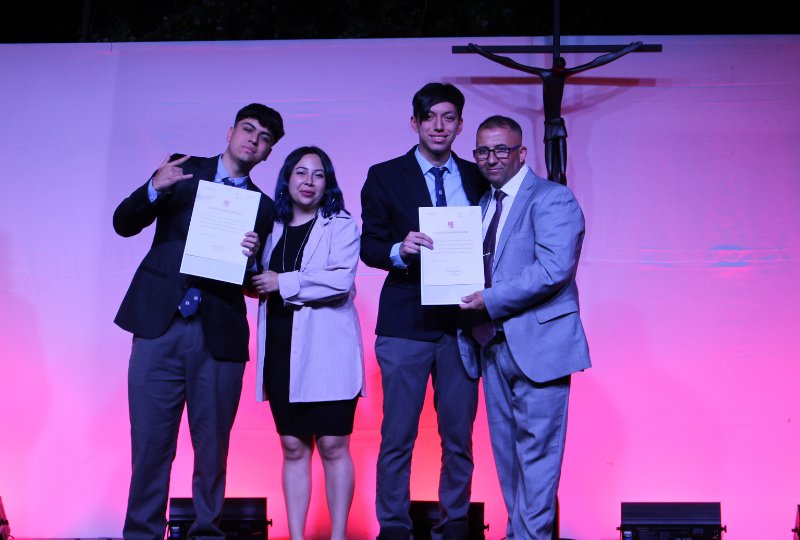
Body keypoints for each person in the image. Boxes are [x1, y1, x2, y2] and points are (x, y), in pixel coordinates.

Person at [113, 103, 284, 540]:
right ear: (230, 132)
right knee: (150, 444)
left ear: (268, 153)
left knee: (212, 448)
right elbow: (123, 224)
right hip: (159, 324)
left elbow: (253, 283)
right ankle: (142, 533)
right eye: (248, 129)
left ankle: (208, 532)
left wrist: (252, 259)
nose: (253, 140)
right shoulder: (181, 170)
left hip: (218, 334)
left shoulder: (265, 208)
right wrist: (153, 187)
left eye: (264, 139)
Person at [360, 82, 488, 540]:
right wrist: (399, 248)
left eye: (449, 117)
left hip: (462, 323)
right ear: (414, 122)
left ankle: (454, 527)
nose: (439, 126)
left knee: (459, 439)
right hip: (405, 322)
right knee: (398, 436)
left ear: (460, 124)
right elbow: (370, 246)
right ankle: (394, 529)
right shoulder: (384, 175)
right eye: (430, 117)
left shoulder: (478, 176)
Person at [458, 115, 591, 539]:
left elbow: (553, 269)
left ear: (521, 152)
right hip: (491, 345)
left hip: (539, 346)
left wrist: (490, 299)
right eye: (482, 150)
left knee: (538, 460)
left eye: (501, 149)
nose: (491, 158)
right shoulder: (481, 207)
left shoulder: (552, 198)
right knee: (508, 459)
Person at [252, 146, 364, 540]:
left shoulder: (341, 225)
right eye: (301, 172)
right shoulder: (271, 226)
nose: (309, 181)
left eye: (318, 174)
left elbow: (340, 281)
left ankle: (338, 536)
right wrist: (247, 259)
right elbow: (256, 281)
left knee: (333, 444)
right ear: (287, 178)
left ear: (327, 183)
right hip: (281, 347)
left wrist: (282, 281)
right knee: (293, 446)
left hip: (328, 350)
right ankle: (296, 536)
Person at [468, 41, 642, 184]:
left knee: (562, 162)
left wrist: (627, 50)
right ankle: (552, 180)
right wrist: (481, 51)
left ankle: (561, 180)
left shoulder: (563, 74)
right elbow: (510, 62)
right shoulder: (545, 74)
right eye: (558, 68)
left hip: (558, 122)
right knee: (551, 164)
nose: (559, 70)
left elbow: (598, 62)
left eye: (561, 68)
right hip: (549, 123)